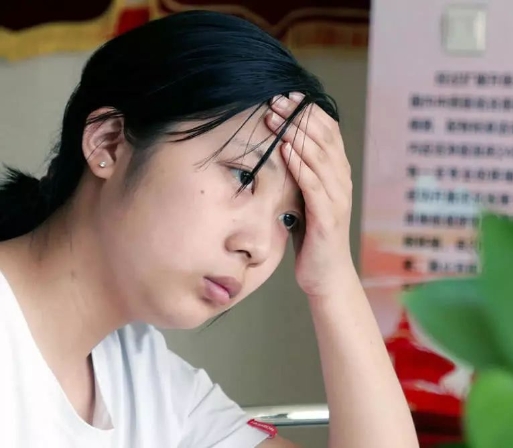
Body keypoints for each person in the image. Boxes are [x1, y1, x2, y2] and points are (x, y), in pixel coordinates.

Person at [0, 11, 419, 448]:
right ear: (109, 142)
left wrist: (332, 280)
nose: (259, 248)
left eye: (289, 219)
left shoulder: (151, 384)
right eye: (243, 176)